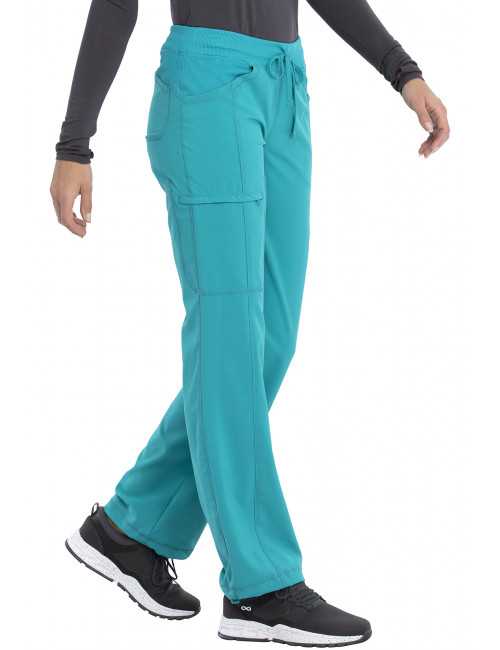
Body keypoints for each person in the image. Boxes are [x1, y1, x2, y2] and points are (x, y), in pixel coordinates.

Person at [51, 1, 449, 646]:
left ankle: (129, 529)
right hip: (209, 90)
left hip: (284, 83)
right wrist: (75, 144)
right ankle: (260, 586)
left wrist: (403, 71)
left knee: (269, 341)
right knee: (230, 340)